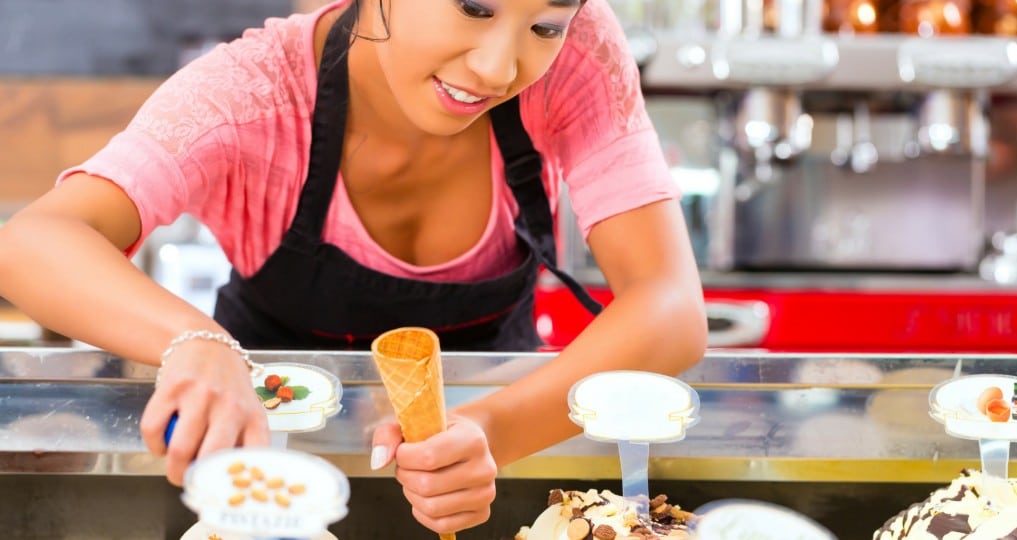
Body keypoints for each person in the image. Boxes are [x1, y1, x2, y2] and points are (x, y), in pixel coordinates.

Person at [0, 0, 707, 535]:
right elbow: (32, 242)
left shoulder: (580, 57)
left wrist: (490, 428)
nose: (498, 67)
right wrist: (195, 342)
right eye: (473, 6)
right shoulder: (250, 93)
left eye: (544, 26)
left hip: (494, 465)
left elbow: (669, 308)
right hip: (267, 464)